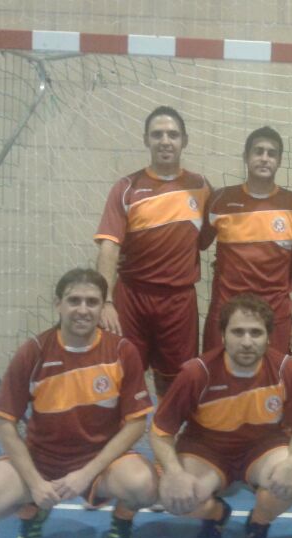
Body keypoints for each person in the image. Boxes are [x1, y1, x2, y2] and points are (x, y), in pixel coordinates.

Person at [0, 268, 157, 538]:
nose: (83, 309)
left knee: (145, 486)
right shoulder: (34, 352)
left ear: (102, 307)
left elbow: (136, 424)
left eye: (92, 302)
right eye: (74, 300)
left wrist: (86, 473)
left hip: (100, 462)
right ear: (58, 304)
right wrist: (35, 483)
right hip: (42, 460)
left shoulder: (122, 351)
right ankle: (32, 510)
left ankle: (122, 520)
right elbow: (5, 421)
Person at [150, 294, 292, 538]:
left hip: (262, 448)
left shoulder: (286, 369)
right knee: (172, 497)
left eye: (256, 332)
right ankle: (216, 514)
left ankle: (258, 524)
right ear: (223, 336)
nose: (247, 341)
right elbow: (160, 432)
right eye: (238, 332)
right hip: (206, 451)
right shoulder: (196, 373)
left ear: (269, 337)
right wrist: (174, 472)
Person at [95, 106, 212, 399]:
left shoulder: (201, 187)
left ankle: (166, 429)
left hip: (178, 302)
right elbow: (109, 246)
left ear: (185, 140)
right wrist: (106, 301)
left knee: (175, 383)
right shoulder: (126, 188)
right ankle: (124, 430)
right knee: (123, 377)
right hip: (132, 297)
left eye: (173, 134)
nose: (165, 141)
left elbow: (204, 241)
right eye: (157, 134)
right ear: (146, 139)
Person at [200, 126, 292, 355]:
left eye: (271, 153)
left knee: (272, 378)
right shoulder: (219, 200)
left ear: (279, 160)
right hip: (226, 314)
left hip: (276, 317)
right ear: (246, 156)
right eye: (258, 151)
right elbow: (194, 244)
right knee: (220, 376)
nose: (264, 158)